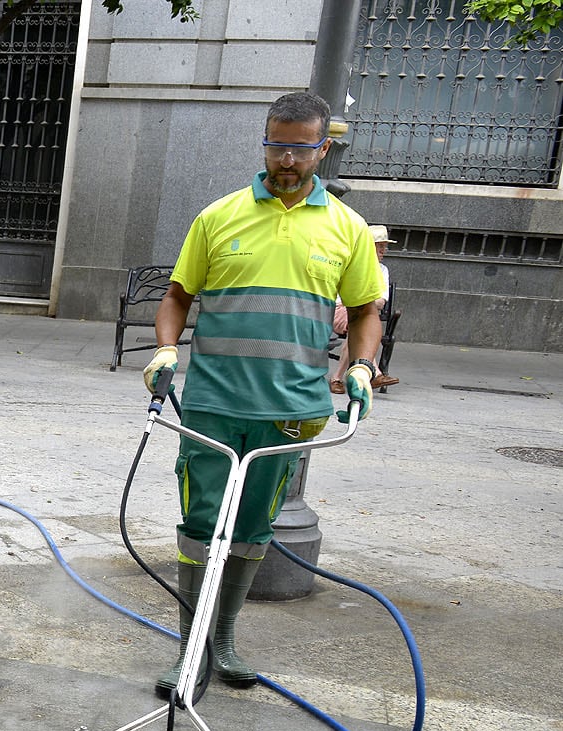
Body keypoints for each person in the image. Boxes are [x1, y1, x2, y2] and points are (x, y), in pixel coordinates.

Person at [143, 90, 383, 698]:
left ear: (322, 148)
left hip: (290, 412)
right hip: (212, 405)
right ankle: (189, 653)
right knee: (201, 526)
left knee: (252, 528)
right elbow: (177, 295)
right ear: (266, 141)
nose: (287, 160)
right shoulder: (218, 216)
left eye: (301, 149)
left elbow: (364, 310)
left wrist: (362, 365)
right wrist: (167, 349)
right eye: (277, 145)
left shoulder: (346, 229)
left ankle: (223, 640)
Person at [330, 224, 397, 393]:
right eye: (380, 246)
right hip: (339, 312)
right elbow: (341, 298)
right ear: (369, 247)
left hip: (363, 313)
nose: (384, 251)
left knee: (357, 326)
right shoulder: (352, 264)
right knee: (358, 325)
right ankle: (375, 372)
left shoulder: (382, 270)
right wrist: (362, 302)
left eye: (385, 247)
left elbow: (381, 301)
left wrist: (359, 303)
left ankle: (336, 378)